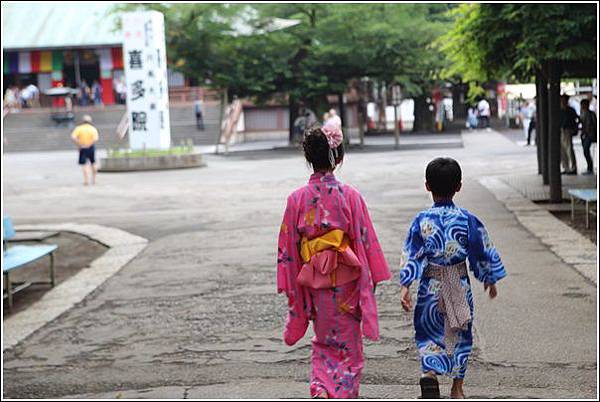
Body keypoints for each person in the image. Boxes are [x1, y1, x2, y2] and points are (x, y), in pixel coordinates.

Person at [277, 122, 391, 398]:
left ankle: (321, 388)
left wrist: (294, 291)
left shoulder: (296, 200)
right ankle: (340, 394)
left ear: (309, 159)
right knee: (349, 349)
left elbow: (288, 249)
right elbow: (366, 242)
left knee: (324, 341)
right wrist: (369, 285)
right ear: (338, 158)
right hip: (348, 284)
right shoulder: (350, 197)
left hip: (315, 285)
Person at [399, 157, 506, 399]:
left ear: (427, 186)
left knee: (428, 330)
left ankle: (430, 373)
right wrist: (489, 279)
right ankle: (457, 387)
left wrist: (406, 285)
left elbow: (412, 254)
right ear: (459, 186)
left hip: (430, 286)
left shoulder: (422, 220)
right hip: (459, 284)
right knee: (461, 331)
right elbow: (482, 250)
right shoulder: (467, 219)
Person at [71, 115, 99, 186]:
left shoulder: (79, 128)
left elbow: (73, 137)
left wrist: (79, 144)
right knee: (93, 162)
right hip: (91, 147)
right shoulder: (93, 129)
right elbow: (95, 139)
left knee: (84, 164)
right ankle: (94, 179)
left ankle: (86, 180)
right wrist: (89, 144)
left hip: (82, 147)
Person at [559, 95, 579, 175]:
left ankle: (573, 167)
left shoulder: (570, 110)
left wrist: (573, 129)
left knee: (569, 149)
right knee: (563, 150)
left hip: (567, 130)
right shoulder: (560, 110)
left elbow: (576, 119)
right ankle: (566, 167)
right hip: (562, 130)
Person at [579, 99, 597, 175]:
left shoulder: (591, 114)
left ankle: (590, 168)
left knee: (586, 150)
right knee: (585, 151)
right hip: (585, 135)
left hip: (590, 135)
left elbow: (594, 124)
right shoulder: (582, 113)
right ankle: (589, 167)